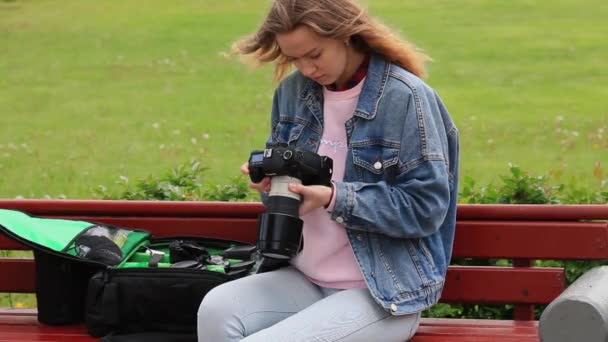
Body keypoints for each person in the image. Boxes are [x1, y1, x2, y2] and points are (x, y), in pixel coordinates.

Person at [197, 0, 459, 341]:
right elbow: (291, 194)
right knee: (216, 311)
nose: (307, 69)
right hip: (304, 276)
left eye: (315, 54)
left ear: (346, 35)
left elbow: (426, 208)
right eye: (294, 59)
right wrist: (273, 184)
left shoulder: (405, 98)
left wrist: (335, 198)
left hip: (382, 291)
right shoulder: (292, 93)